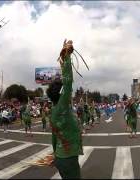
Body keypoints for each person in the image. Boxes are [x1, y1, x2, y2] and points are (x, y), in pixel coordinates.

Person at [46, 40, 83, 179]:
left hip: (63, 158)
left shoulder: (56, 110)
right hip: (68, 159)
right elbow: (67, 83)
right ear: (61, 94)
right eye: (66, 92)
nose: (70, 93)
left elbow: (54, 138)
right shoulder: (62, 107)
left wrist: (55, 157)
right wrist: (66, 56)